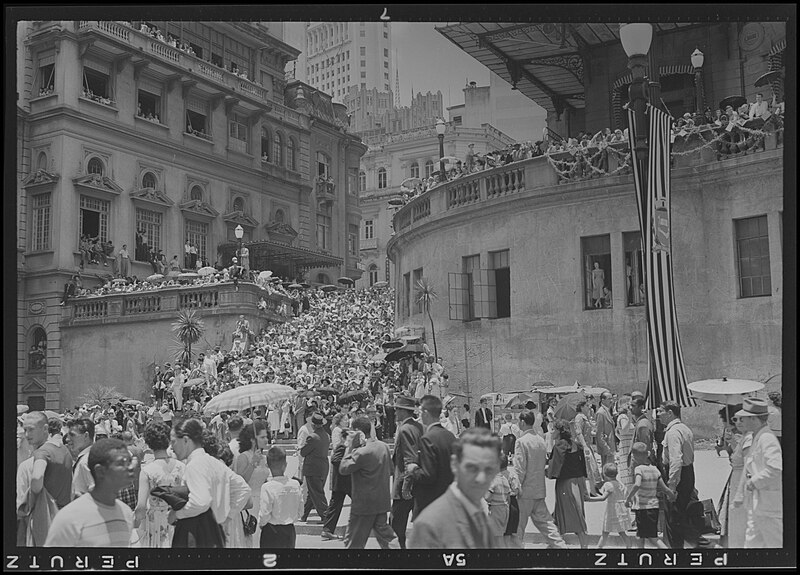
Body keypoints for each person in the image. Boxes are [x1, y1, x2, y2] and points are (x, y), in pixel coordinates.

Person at [408, 427, 501, 548]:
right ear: (455, 464)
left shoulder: (480, 516)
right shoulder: (429, 525)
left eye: (489, 469)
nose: (481, 479)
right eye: (472, 468)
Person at [44, 438, 136, 547]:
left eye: (130, 461)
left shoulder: (126, 513)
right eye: (122, 462)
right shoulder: (69, 518)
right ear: (100, 471)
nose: (130, 467)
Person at [168, 418, 230, 548]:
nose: (171, 447)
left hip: (195, 535)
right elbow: (242, 490)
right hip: (215, 533)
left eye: (173, 442)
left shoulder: (195, 465)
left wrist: (176, 514)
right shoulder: (214, 463)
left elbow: (200, 501)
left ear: (185, 440)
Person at [338, 416, 398, 549]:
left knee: (353, 543)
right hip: (381, 502)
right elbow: (391, 471)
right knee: (388, 538)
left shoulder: (360, 452)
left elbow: (343, 469)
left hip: (363, 505)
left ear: (358, 432)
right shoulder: (384, 447)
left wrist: (349, 447)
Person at [512, 410, 567, 549]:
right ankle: (561, 546)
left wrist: (515, 488)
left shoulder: (521, 442)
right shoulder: (540, 440)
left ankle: (515, 554)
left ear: (522, 422)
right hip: (538, 489)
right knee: (547, 524)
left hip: (524, 492)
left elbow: (520, 468)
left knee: (518, 528)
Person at [733, 398, 782, 548]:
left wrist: (753, 482)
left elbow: (775, 468)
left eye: (743, 418)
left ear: (754, 419)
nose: (740, 422)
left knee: (775, 544)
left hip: (769, 505)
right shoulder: (756, 437)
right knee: (752, 544)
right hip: (758, 504)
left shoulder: (767, 438)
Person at [134, 421, 186, 548]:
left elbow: (141, 507)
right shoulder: (182, 466)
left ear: (149, 444)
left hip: (155, 522)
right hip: (178, 518)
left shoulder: (147, 471)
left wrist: (136, 522)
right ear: (168, 441)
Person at [658, 400, 698, 549]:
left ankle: (673, 555)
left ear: (670, 413)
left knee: (673, 519)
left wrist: (671, 487)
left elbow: (676, 460)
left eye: (660, 411)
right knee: (681, 516)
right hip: (687, 473)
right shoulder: (684, 428)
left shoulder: (674, 432)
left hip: (678, 475)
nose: (658, 414)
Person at [387, 395, 422, 549]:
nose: (395, 413)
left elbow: (410, 458)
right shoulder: (419, 426)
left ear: (404, 411)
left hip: (404, 484)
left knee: (395, 525)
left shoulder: (405, 429)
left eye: (397, 409)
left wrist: (406, 485)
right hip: (418, 482)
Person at [625, 441, 675, 549]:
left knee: (651, 538)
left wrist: (628, 498)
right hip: (654, 507)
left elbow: (637, 484)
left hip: (643, 508)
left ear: (634, 457)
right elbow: (664, 488)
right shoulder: (655, 469)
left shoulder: (638, 469)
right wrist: (672, 495)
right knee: (641, 535)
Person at [412, 395, 456, 515]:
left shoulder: (428, 439)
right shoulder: (450, 436)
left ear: (425, 413)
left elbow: (428, 475)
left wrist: (413, 470)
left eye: (421, 411)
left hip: (430, 504)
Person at [548, 420, 590, 548]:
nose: (551, 432)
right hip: (577, 482)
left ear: (560, 431)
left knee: (571, 515)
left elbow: (554, 469)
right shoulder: (576, 445)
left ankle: (582, 549)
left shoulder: (559, 446)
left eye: (553, 429)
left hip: (565, 485)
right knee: (575, 513)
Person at [232, 420, 271, 547]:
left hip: (264, 502)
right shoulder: (244, 457)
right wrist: (253, 463)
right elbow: (241, 482)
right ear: (253, 439)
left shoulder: (263, 457)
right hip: (250, 504)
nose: (266, 440)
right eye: (262, 437)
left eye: (266, 436)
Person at [28, 412, 73, 511]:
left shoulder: (42, 452)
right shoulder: (65, 450)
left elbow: (37, 477)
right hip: (64, 510)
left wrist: (33, 499)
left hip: (47, 511)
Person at [259, 446, 303, 548]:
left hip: (270, 531)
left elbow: (265, 513)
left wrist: (261, 523)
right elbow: (301, 511)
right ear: (285, 465)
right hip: (289, 531)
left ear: (268, 465)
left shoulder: (267, 487)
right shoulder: (295, 484)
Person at [717, 404, 746, 548]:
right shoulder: (731, 433)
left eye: (722, 419)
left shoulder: (740, 435)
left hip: (740, 477)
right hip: (734, 476)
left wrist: (732, 442)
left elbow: (741, 456)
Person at [587, 463, 632, 548]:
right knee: (622, 532)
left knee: (605, 532)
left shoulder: (608, 485)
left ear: (604, 474)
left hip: (613, 510)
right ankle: (629, 547)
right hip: (621, 510)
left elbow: (603, 498)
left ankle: (599, 548)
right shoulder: (621, 484)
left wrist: (589, 499)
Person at [299, 413, 330, 523]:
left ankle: (326, 515)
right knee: (312, 493)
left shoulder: (312, 437)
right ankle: (304, 515)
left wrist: (300, 448)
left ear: (313, 425)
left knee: (317, 493)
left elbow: (303, 452)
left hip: (313, 468)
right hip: (323, 467)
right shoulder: (326, 435)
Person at [320, 430, 351, 541]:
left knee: (335, 506)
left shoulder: (348, 447)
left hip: (344, 483)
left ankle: (327, 530)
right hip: (343, 482)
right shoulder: (342, 447)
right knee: (361, 502)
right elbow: (335, 460)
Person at [574, 401, 602, 496]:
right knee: (589, 468)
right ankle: (588, 491)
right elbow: (579, 432)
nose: (589, 407)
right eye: (586, 405)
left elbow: (587, 432)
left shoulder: (585, 417)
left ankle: (593, 489)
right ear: (581, 407)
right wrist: (584, 446)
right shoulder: (579, 418)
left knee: (592, 468)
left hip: (587, 444)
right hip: (583, 446)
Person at [66, 418, 95, 500]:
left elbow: (96, 494)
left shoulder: (86, 461)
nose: (68, 439)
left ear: (86, 436)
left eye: (72, 435)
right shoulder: (86, 458)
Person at [615, 395, 634, 489]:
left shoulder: (624, 416)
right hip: (626, 446)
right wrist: (630, 418)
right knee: (628, 470)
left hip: (626, 444)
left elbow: (617, 433)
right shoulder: (623, 416)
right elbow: (624, 430)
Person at [595, 391, 617, 468]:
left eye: (612, 398)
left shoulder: (607, 411)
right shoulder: (601, 413)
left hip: (610, 446)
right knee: (608, 470)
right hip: (607, 448)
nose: (611, 401)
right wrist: (606, 448)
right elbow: (599, 433)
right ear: (602, 400)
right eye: (609, 399)